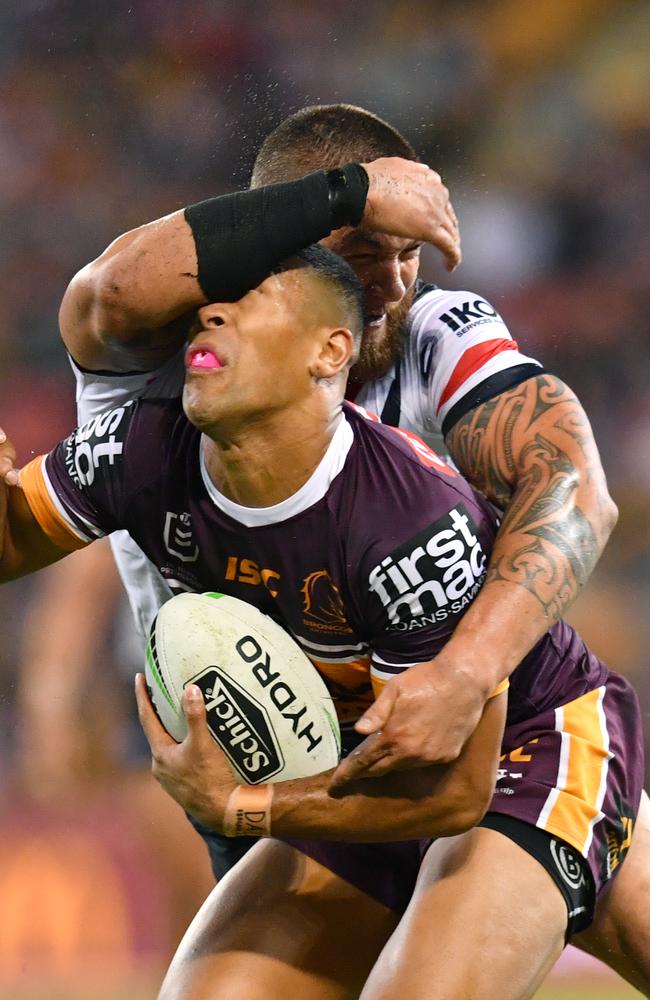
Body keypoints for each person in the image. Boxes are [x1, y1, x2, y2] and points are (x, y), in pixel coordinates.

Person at [32, 102, 650, 988]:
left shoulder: (434, 335)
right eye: (367, 253)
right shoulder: (184, 366)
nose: (395, 287)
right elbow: (107, 300)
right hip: (315, 759)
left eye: (408, 257)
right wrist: (347, 193)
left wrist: (463, 674)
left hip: (497, 739)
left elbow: (573, 487)